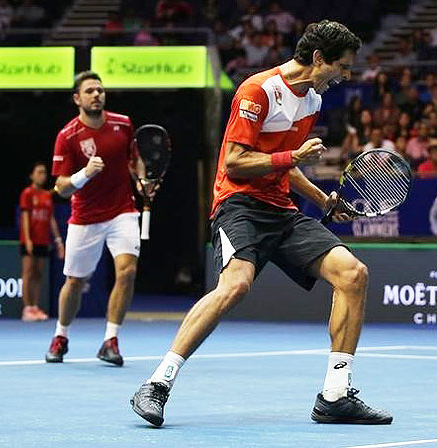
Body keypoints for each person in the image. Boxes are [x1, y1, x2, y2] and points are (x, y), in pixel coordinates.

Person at [130, 20, 392, 427]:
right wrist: (291, 158)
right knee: (235, 285)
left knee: (353, 274)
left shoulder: (312, 101)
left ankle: (335, 396)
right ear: (318, 58)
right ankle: (157, 384)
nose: (346, 76)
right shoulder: (257, 91)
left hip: (280, 209)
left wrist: (323, 199)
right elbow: (236, 162)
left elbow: (286, 167)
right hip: (238, 205)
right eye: (342, 66)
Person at [45, 71, 152, 366]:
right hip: (85, 217)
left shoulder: (123, 124)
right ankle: (61, 335)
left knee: (127, 272)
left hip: (123, 211)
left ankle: (110, 340)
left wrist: (143, 180)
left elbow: (135, 160)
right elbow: (61, 188)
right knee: (75, 282)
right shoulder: (67, 136)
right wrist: (84, 174)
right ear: (77, 98)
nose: (97, 95)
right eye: (90, 91)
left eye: (100, 90)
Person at [19, 162, 65, 322]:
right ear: (32, 175)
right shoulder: (27, 193)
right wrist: (28, 239)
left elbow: (51, 219)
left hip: (43, 241)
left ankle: (35, 307)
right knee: (28, 273)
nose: (42, 175)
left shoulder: (47, 195)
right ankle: (27, 308)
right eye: (38, 172)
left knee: (38, 275)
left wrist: (58, 241)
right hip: (29, 241)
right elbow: (25, 217)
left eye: (44, 173)